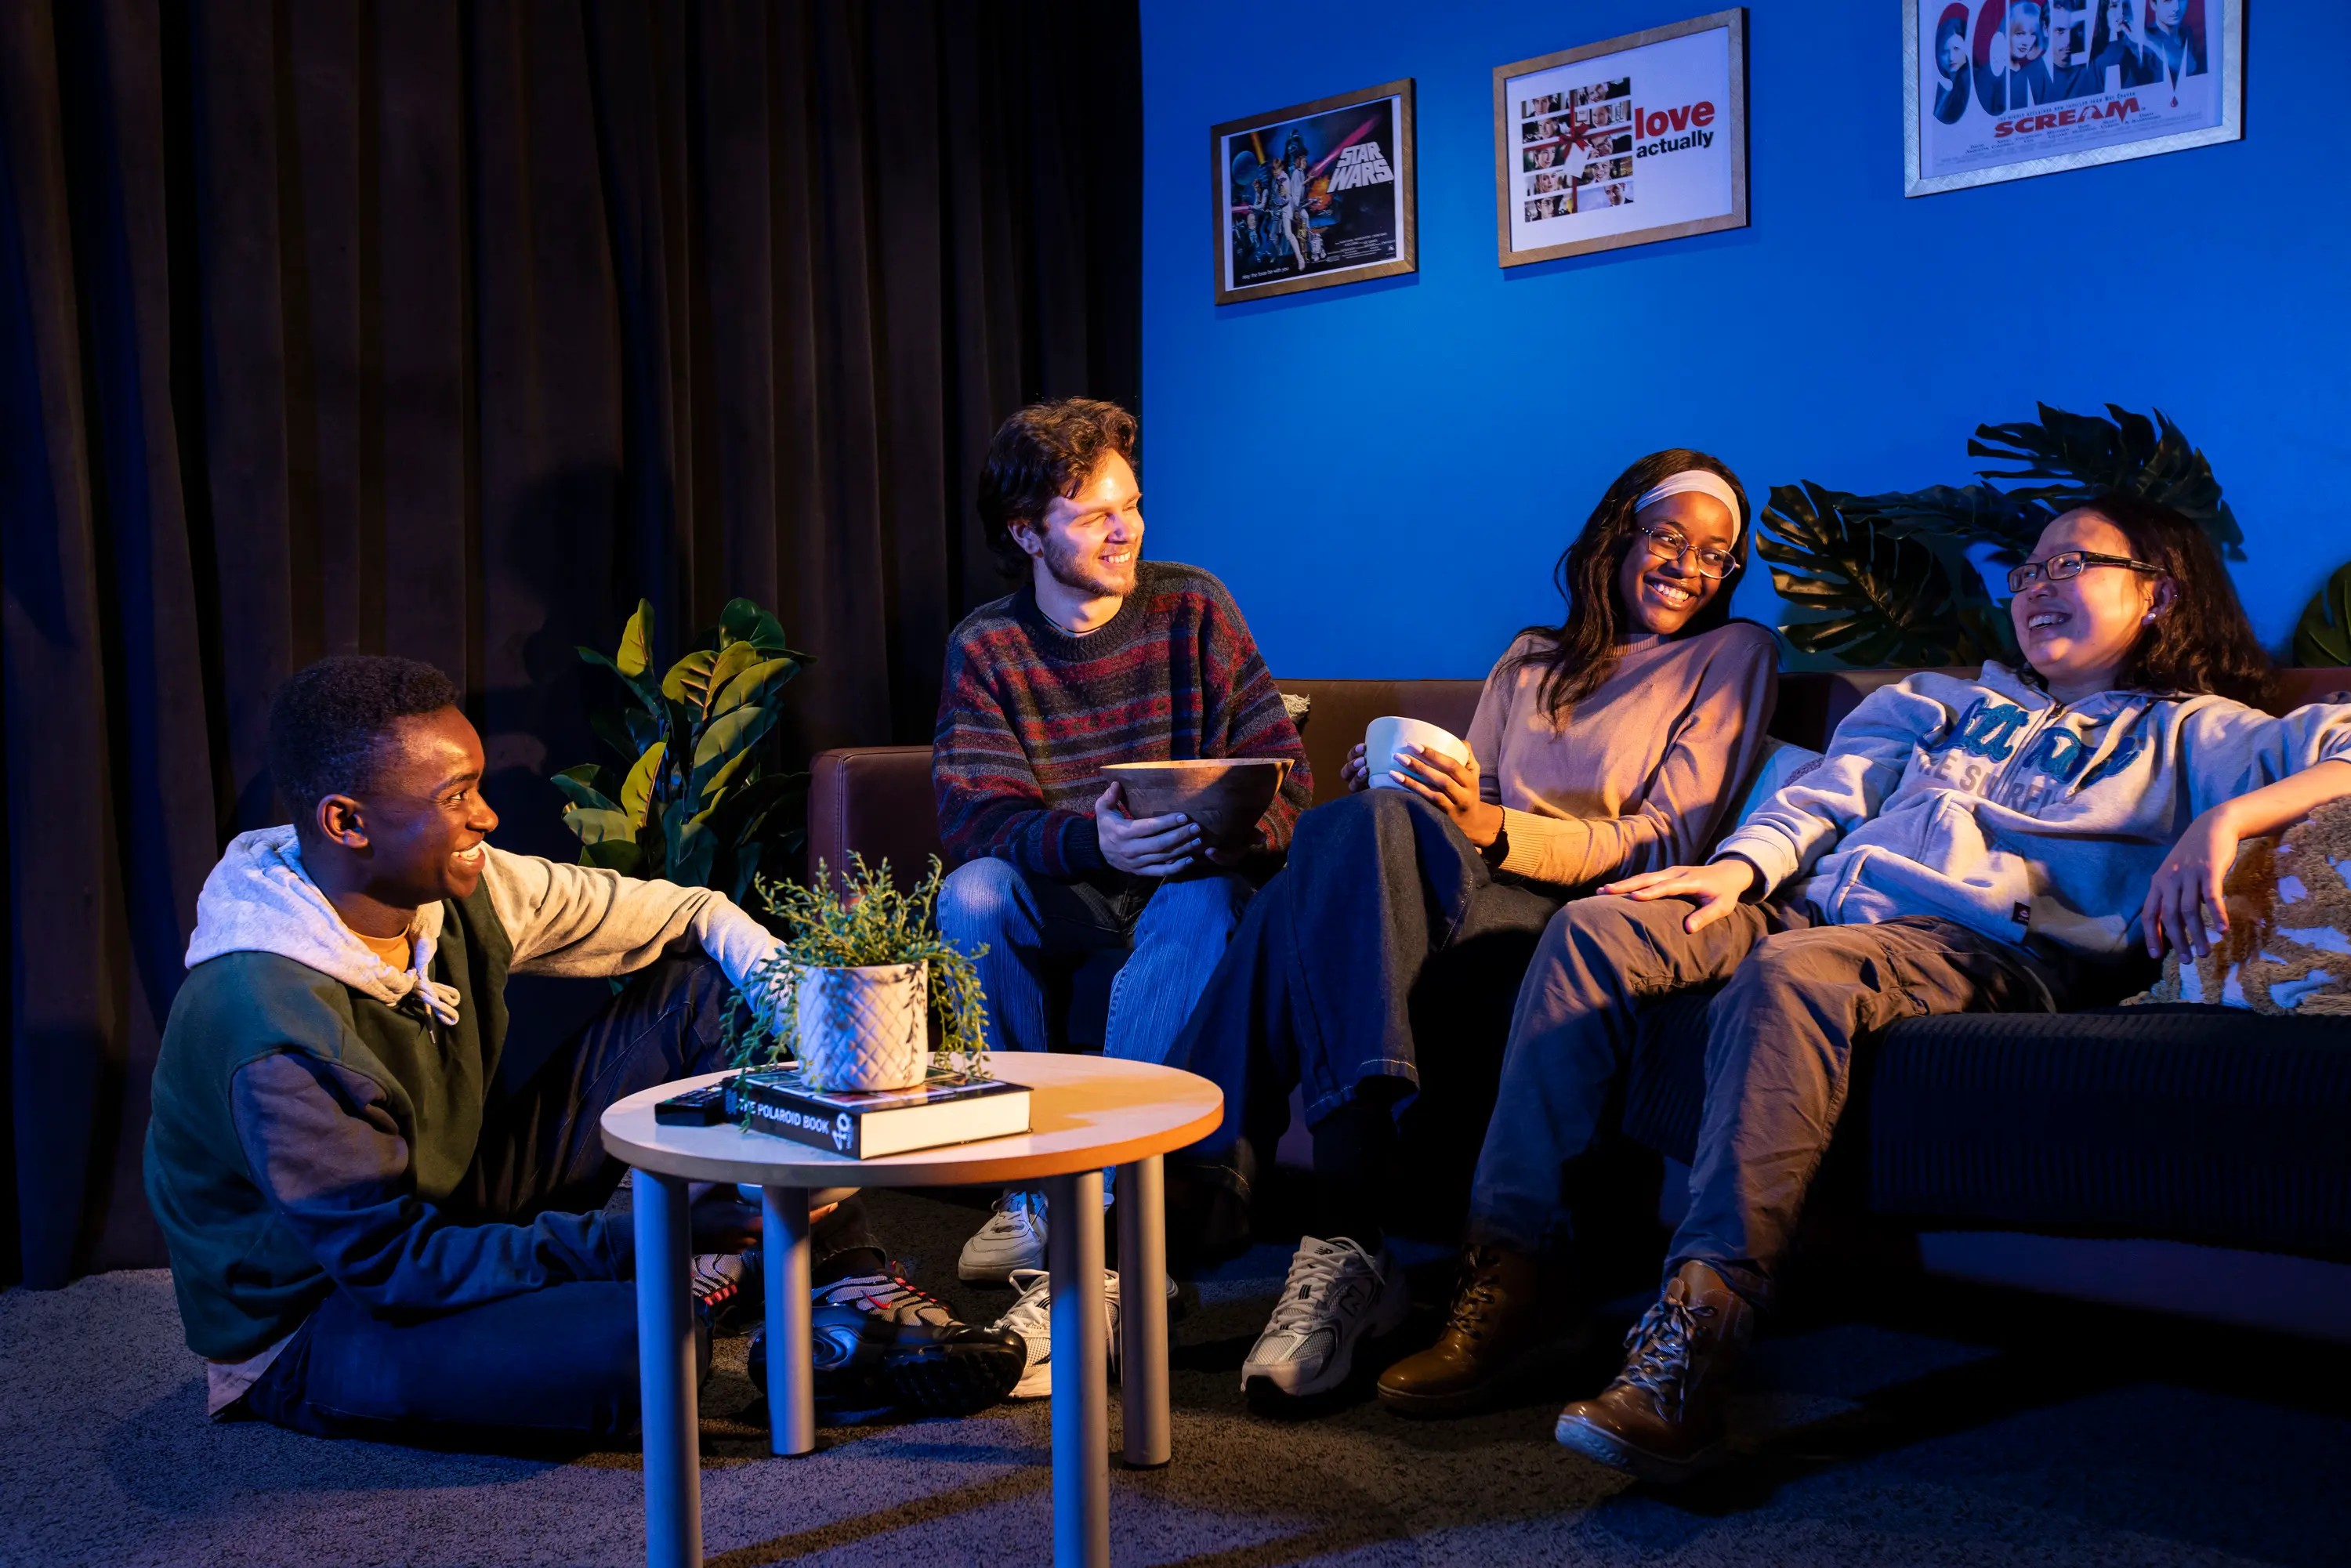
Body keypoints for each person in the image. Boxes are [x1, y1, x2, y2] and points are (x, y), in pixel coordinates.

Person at [1378, 494, 2351, 1481]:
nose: (2041, 586)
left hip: (1976, 947)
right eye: (2030, 572)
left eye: (2075, 565)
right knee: (1600, 930)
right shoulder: (1943, 699)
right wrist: (1740, 870)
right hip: (1815, 908)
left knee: (1794, 971)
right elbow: (1824, 799)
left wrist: (2224, 823)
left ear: (2160, 594)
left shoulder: (2203, 734)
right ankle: (1515, 1270)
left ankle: (1693, 1345)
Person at [145, 656, 1025, 1448]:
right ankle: (718, 1276)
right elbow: (391, 1267)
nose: (486, 816)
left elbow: (691, 914)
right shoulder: (270, 1027)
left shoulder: (468, 887)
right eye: (454, 798)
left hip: (451, 1204)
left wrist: (811, 1013)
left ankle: (838, 1283)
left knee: (700, 987)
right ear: (347, 822)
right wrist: (643, 1235)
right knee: (647, 1344)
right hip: (323, 1311)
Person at [1165, 452, 1778, 1402]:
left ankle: (1202, 1191)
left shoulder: (1732, 657)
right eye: (1669, 538)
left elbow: (1669, 838)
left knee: (1325, 867)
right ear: (1620, 533)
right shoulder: (1532, 658)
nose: (1690, 567)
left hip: (1573, 917)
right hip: (1464, 886)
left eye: (1716, 555)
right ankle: (1347, 1246)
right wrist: (1415, 797)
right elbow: (1470, 797)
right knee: (1357, 824)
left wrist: (1491, 827)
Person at [933, 398, 1310, 1292]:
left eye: (1132, 505)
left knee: (1204, 900)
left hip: (1189, 884)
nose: (1125, 531)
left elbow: (1290, 779)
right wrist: (1093, 841)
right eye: (1097, 515)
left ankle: (1100, 1203)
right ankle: (1027, 1196)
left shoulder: (1195, 608)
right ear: (1027, 534)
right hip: (1069, 895)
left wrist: (1228, 831)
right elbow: (973, 821)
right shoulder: (987, 647)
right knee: (971, 893)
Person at [2090, 0, 2167, 88]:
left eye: (2127, 5)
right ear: (2104, 12)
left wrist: (2148, 41)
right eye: (2114, 6)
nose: (2121, 12)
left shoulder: (2155, 40)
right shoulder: (2094, 54)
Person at [1934, 11, 1975, 123]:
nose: (1951, 57)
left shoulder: (1976, 83)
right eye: (1945, 52)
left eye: (1957, 49)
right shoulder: (1933, 86)